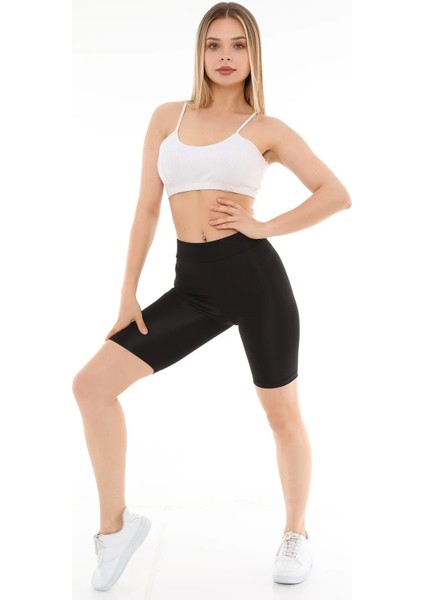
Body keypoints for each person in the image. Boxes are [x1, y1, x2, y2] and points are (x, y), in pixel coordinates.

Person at [72, 1, 351, 592]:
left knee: (282, 415)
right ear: (200, 53)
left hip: (255, 282)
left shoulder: (265, 129)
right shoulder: (166, 117)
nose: (226, 56)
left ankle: (296, 532)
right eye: (214, 45)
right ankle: (116, 530)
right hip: (192, 286)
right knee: (92, 386)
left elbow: (335, 193)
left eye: (238, 45)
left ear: (254, 54)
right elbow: (148, 209)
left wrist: (264, 226)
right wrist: (127, 292)